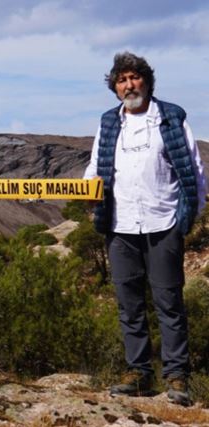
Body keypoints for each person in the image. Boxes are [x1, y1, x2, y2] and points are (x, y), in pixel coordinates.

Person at [84, 52, 206, 406]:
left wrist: (187, 218)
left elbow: (195, 171)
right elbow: (95, 166)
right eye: (121, 80)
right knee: (129, 304)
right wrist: (89, 193)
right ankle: (138, 374)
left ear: (147, 81)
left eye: (134, 77)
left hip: (162, 222)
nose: (128, 85)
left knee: (169, 302)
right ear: (115, 87)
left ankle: (177, 376)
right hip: (120, 227)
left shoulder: (171, 118)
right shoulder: (109, 123)